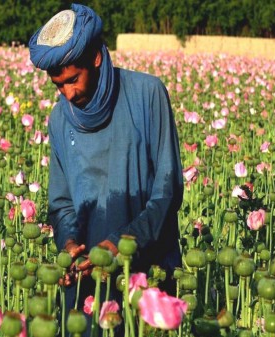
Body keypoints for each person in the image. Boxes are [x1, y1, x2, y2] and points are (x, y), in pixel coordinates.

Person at [28, 3, 183, 334]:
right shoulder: (59, 120)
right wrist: (68, 244)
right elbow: (61, 202)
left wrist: (122, 243)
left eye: (73, 80)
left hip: (145, 273)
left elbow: (167, 192)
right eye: (59, 86)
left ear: (96, 57)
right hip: (86, 284)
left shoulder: (147, 95)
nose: (68, 93)